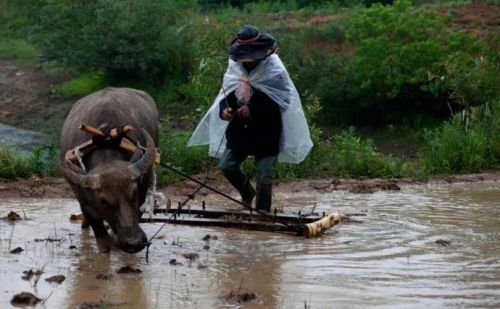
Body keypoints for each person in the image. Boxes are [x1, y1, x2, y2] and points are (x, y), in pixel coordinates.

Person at [188, 24, 312, 212]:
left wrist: (253, 110)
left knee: (264, 175)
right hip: (240, 130)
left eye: (252, 58)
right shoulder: (235, 68)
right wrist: (225, 110)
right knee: (226, 166)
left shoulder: (275, 70)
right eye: (245, 59)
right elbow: (226, 95)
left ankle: (262, 214)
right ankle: (247, 193)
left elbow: (284, 100)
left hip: (267, 132)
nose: (248, 62)